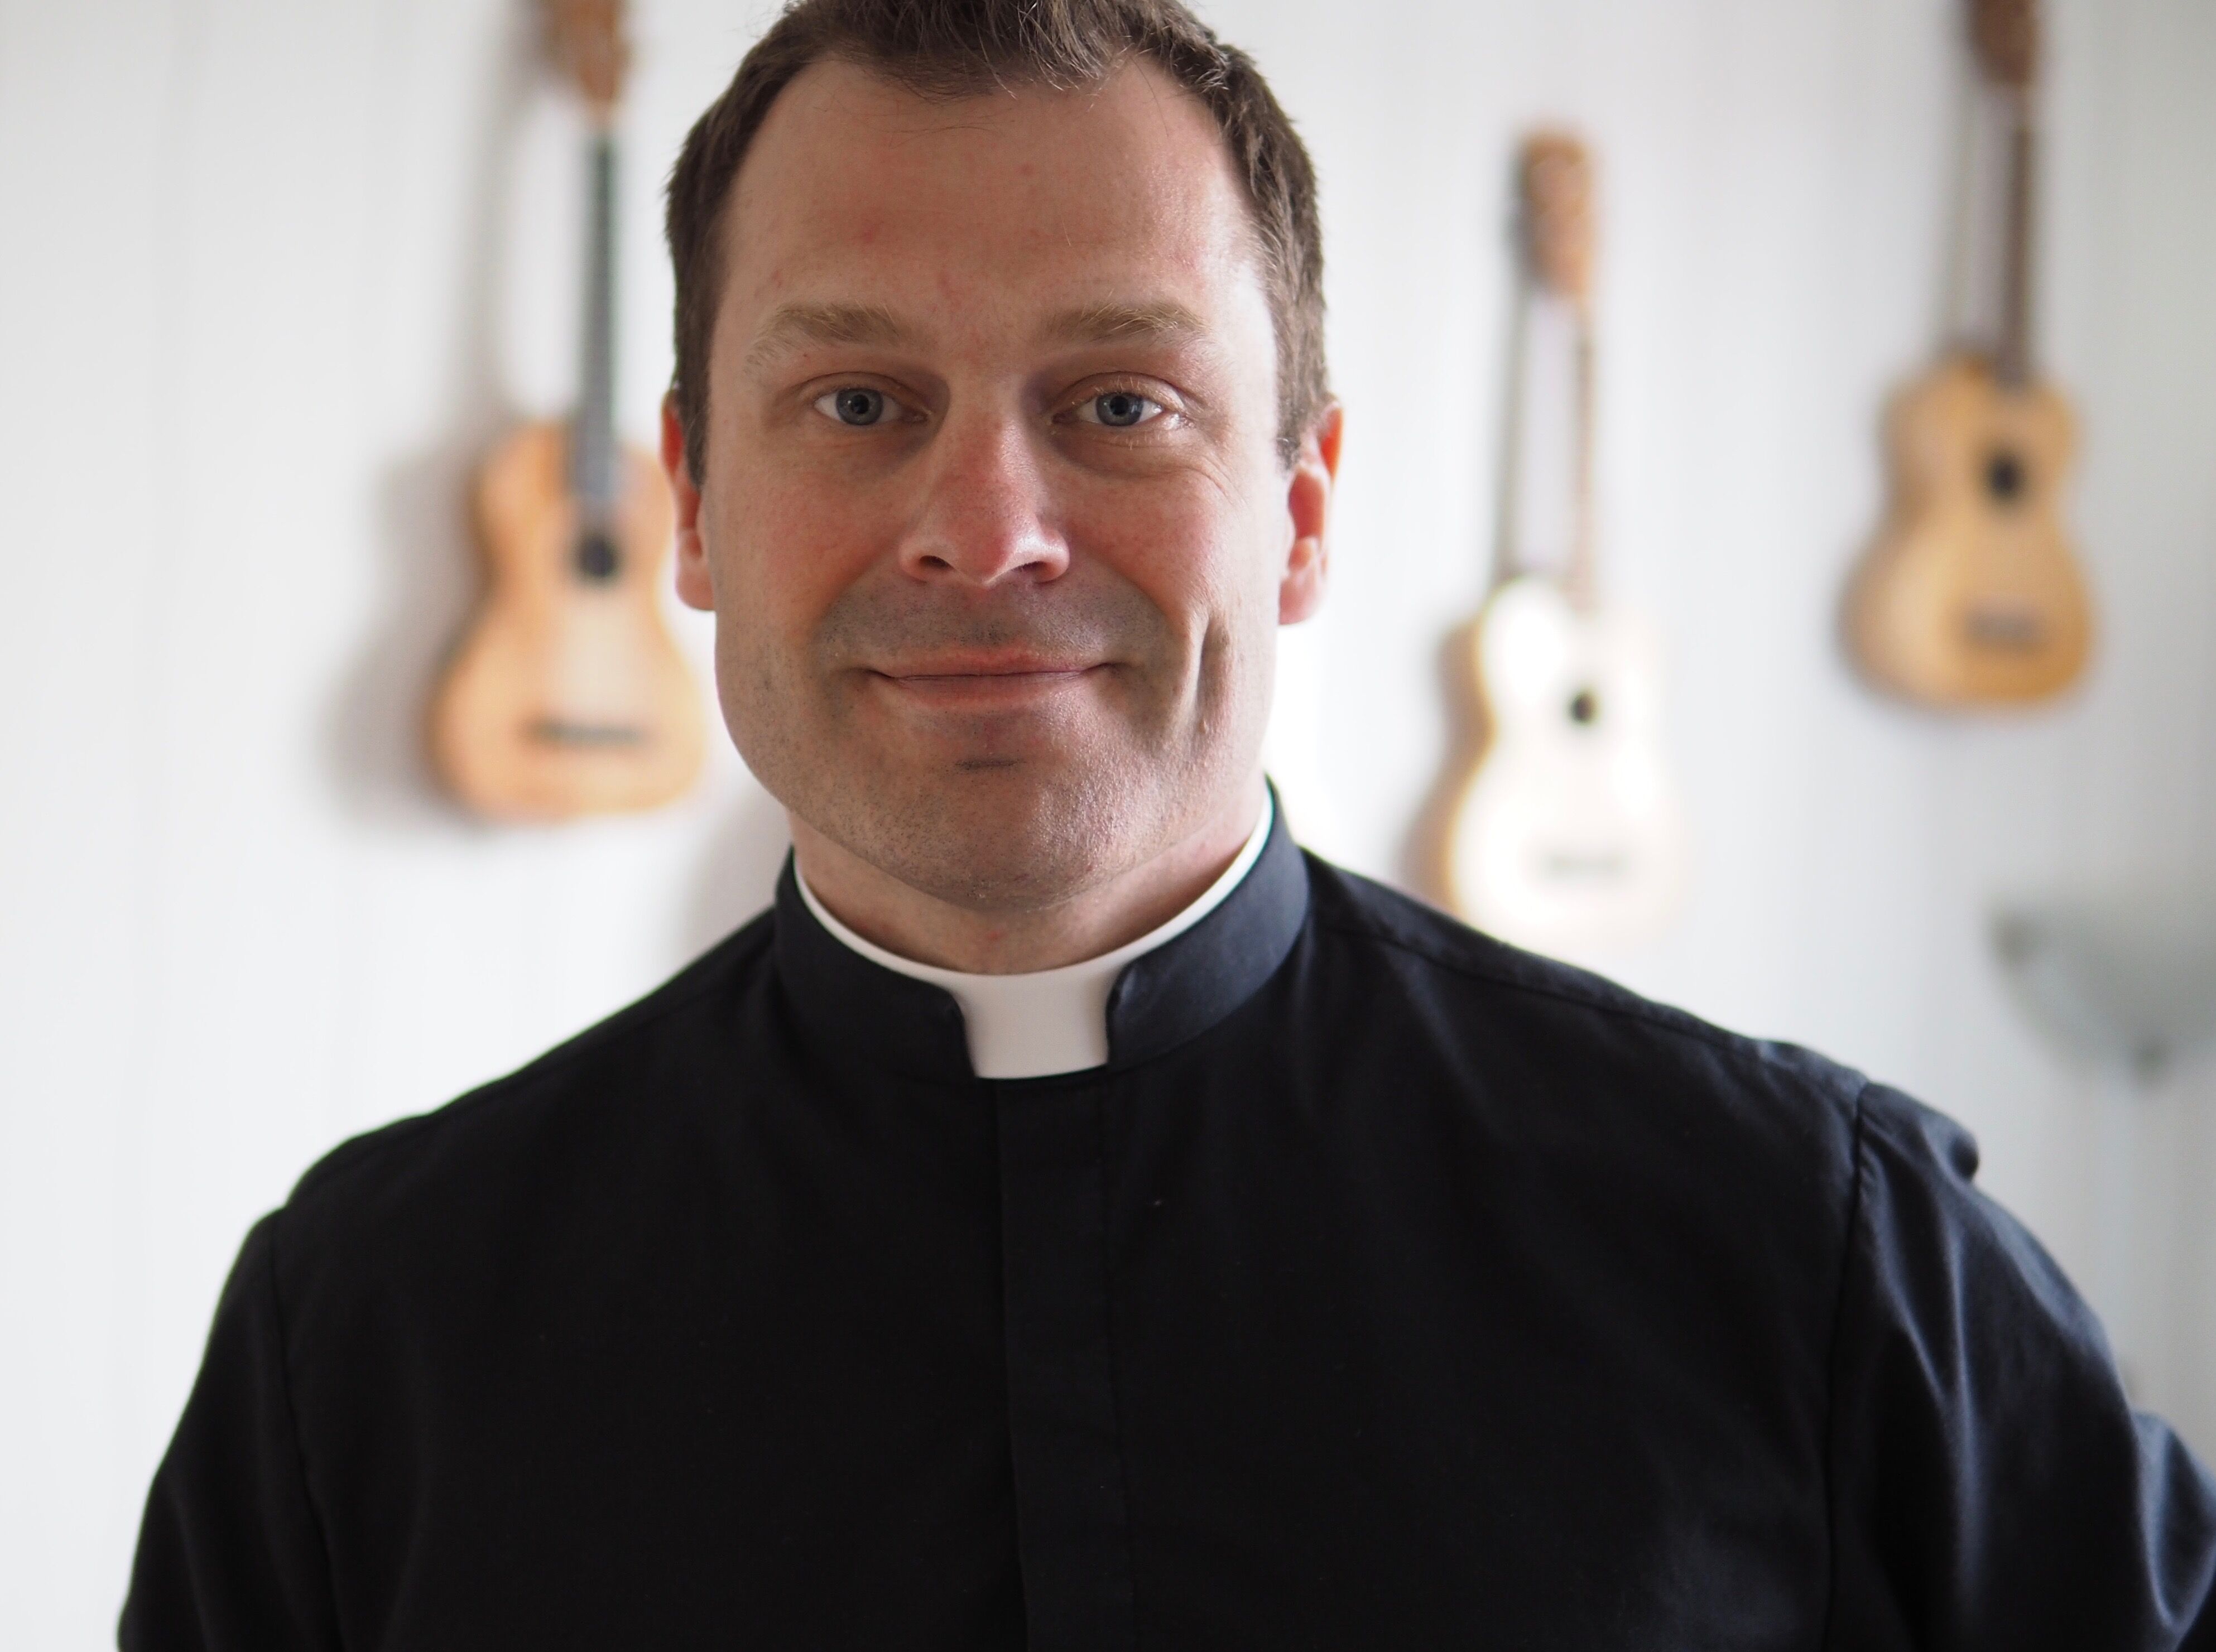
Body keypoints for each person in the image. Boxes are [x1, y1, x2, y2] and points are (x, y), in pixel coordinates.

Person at [123, 0, 2216, 1646]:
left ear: (1299, 510)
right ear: (687, 502)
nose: (985, 531)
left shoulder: (1813, 1248)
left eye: (1119, 402)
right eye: (856, 402)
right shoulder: (365, 1341)